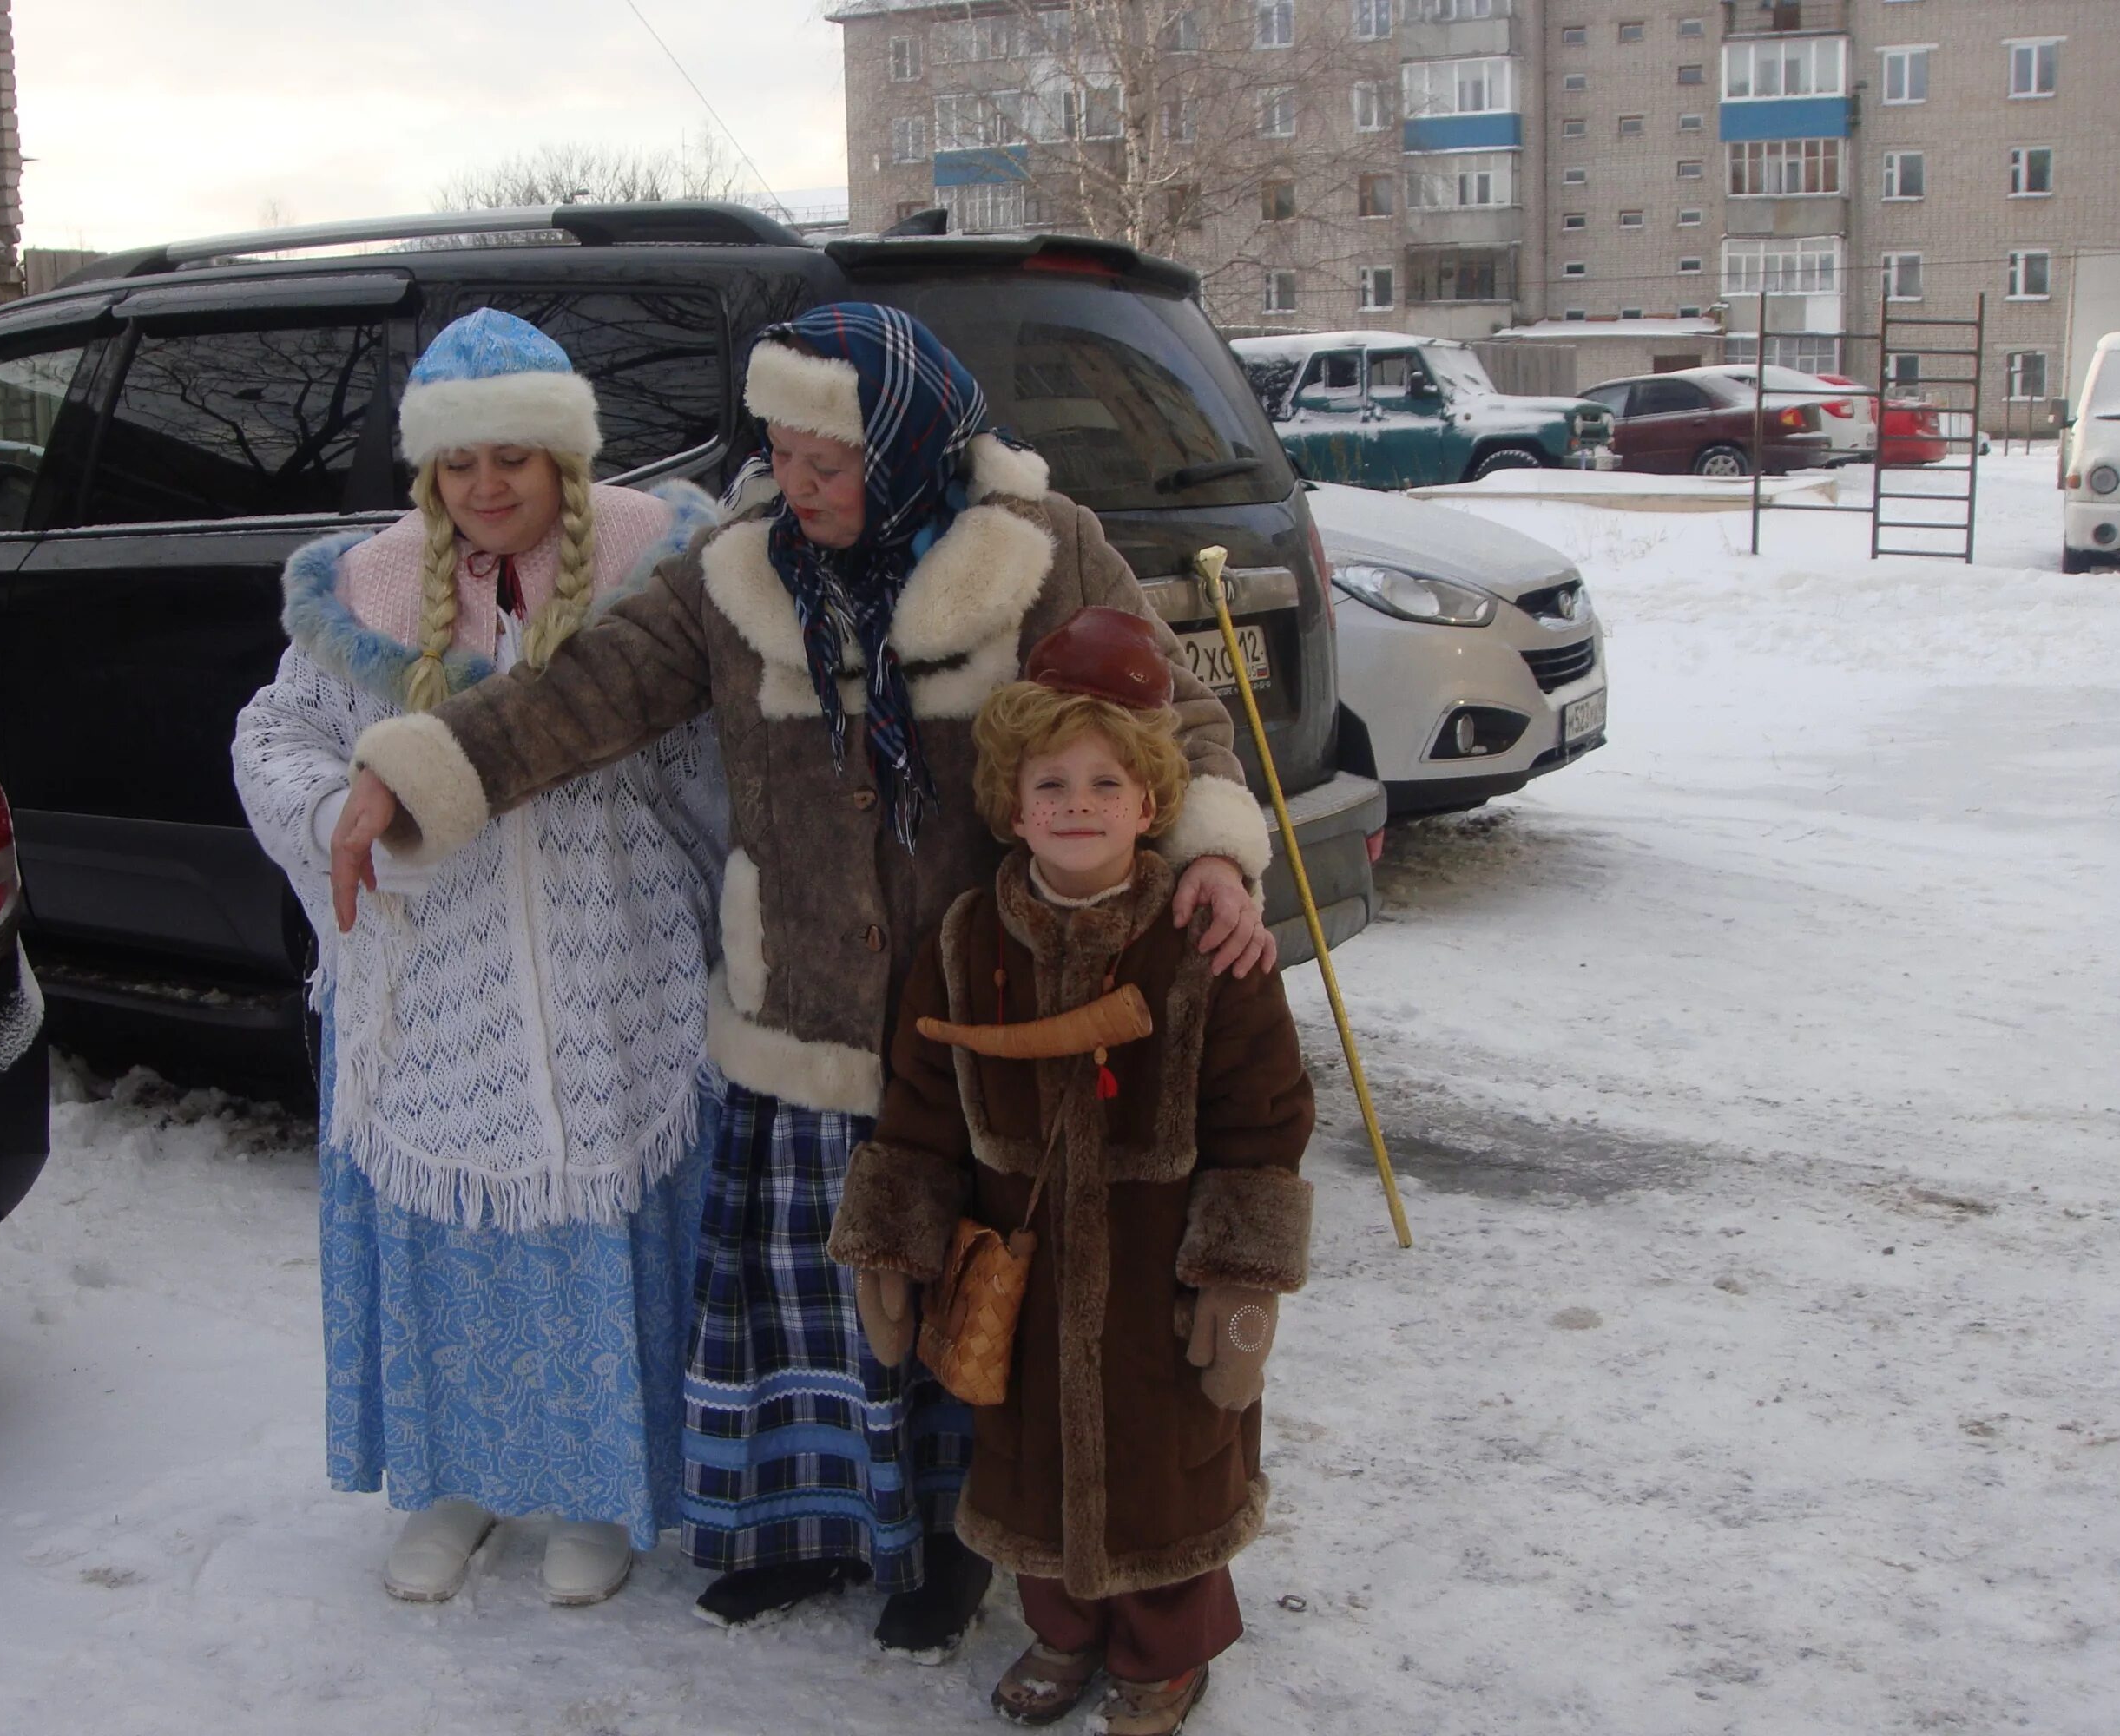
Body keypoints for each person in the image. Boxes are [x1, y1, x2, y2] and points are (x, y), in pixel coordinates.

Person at [325, 303, 1281, 1655]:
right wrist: (409, 767)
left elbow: (1167, 706)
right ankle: (804, 1536)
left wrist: (1216, 854)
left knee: (961, 1291)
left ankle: (950, 1551)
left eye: (829, 461)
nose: (802, 484)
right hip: (804, 1007)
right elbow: (579, 692)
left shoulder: (1039, 548)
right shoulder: (737, 565)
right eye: (782, 453)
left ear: (904, 444)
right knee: (815, 1298)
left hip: (980, 1015)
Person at [230, 308, 723, 1610]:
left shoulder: (651, 581)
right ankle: (454, 1479)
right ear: (428, 472)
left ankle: (593, 1491)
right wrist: (341, 821)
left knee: (592, 1233)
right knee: (443, 1230)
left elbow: (715, 770)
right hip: (427, 980)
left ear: (565, 458)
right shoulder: (364, 598)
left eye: (514, 456)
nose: (487, 486)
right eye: (460, 463)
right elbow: (275, 732)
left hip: (608, 968)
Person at [828, 607, 1318, 1735]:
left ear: (1152, 804)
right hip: (1024, 1272)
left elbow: (1264, 1114)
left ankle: (1162, 1650)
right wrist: (895, 1240)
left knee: (1168, 1466)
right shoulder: (964, 940)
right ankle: (1061, 1632)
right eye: (1054, 786)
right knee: (1028, 1463)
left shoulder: (1205, 946)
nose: (1080, 808)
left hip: (1161, 1274)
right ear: (1013, 805)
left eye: (1107, 786)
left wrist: (1241, 1279)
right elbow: (918, 1105)